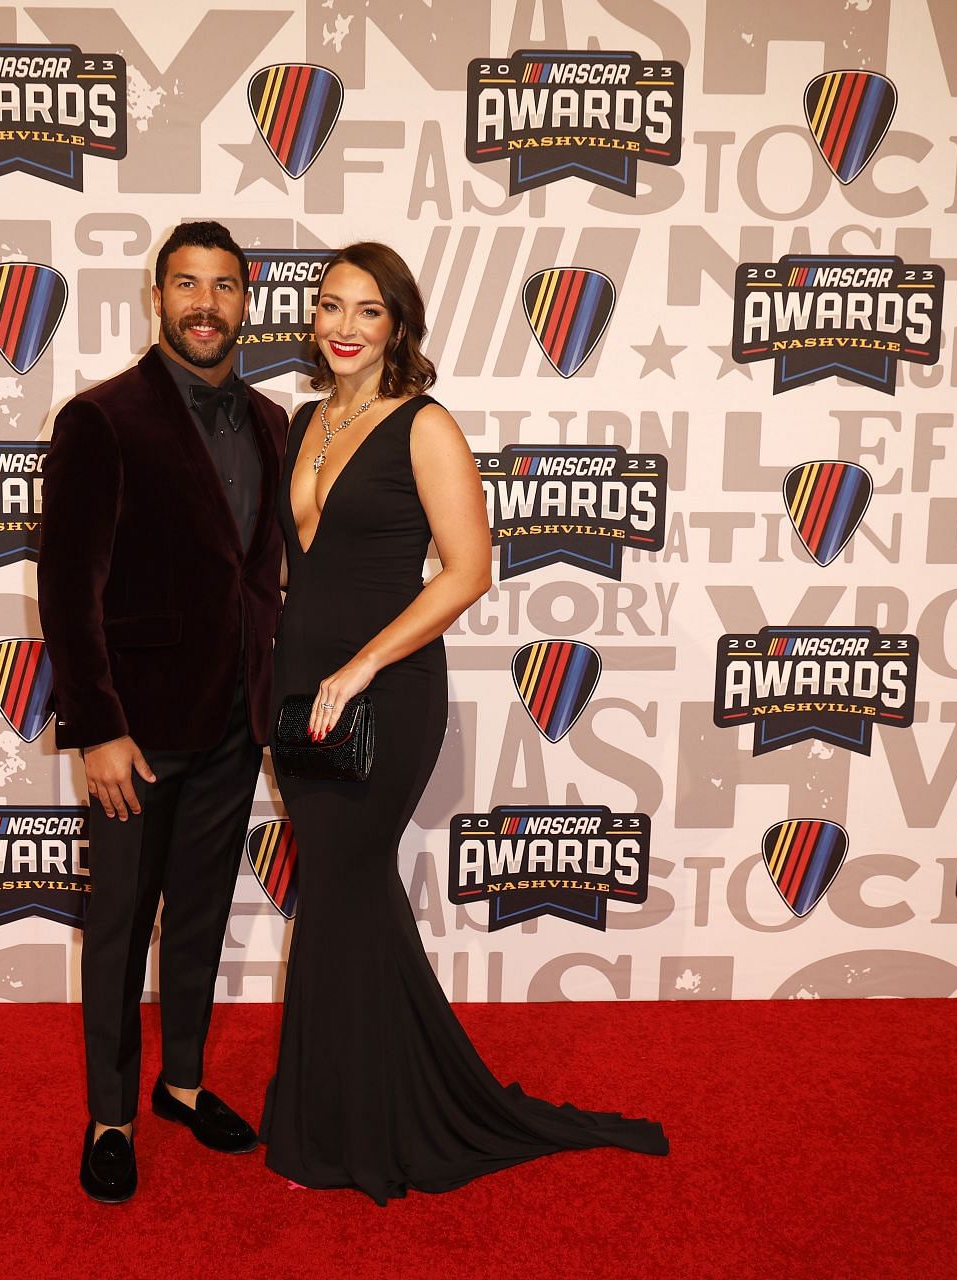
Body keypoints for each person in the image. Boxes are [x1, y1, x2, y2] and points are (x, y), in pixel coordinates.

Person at [260, 242, 669, 1203]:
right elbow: (296, 568)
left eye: (368, 311)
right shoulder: (305, 421)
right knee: (332, 895)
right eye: (330, 307)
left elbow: (468, 571)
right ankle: (341, 1109)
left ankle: (366, 1126)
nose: (345, 327)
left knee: (347, 884)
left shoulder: (426, 426)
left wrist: (362, 664)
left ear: (399, 324)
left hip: (384, 691)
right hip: (300, 689)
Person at [38, 221, 288, 1203]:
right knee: (116, 926)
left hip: (234, 719)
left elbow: (259, 575)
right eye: (187, 283)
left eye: (224, 286)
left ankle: (181, 1082)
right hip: (133, 735)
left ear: (244, 299)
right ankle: (110, 1113)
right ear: (158, 296)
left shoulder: (272, 421)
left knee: (200, 917)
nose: (205, 303)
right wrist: (98, 725)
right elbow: (68, 587)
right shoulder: (101, 419)